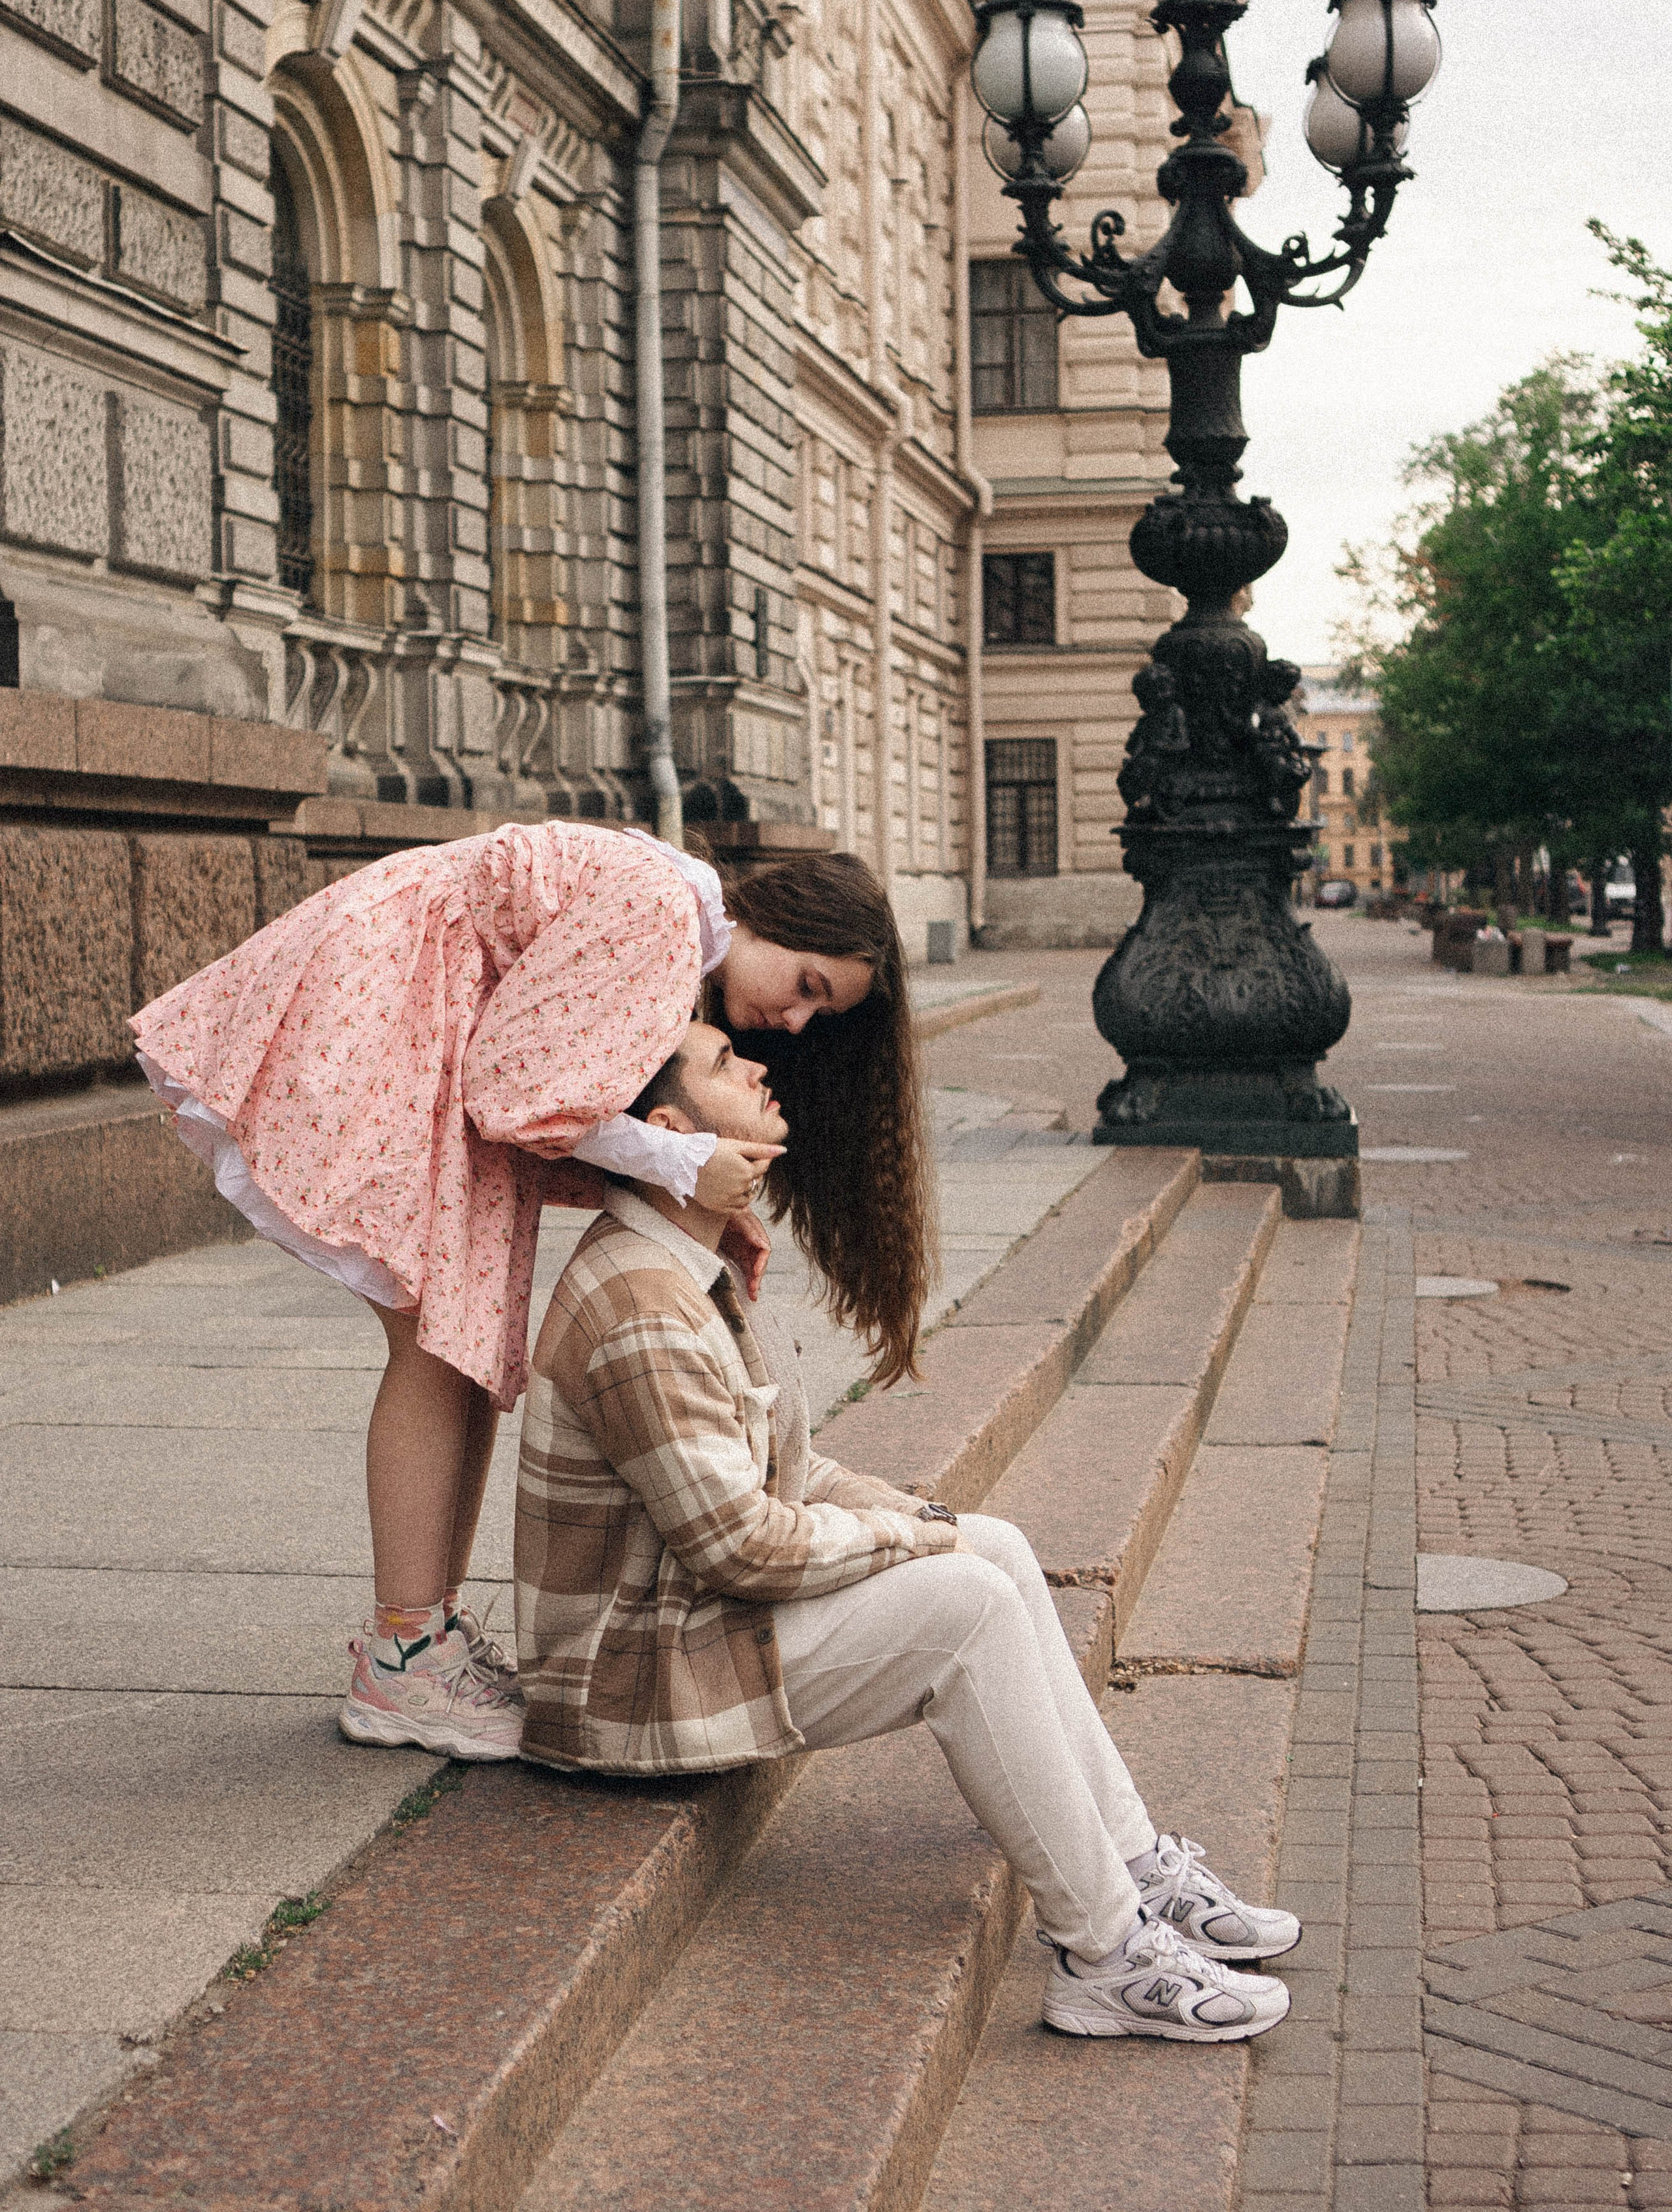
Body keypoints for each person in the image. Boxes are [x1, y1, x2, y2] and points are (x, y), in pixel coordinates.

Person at [515, 1019, 1302, 2044]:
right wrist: (915, 1547)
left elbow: (787, 1476)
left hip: (694, 1617)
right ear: (669, 1132)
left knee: (999, 1550)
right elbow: (741, 1548)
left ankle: (1137, 1863)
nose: (759, 1067)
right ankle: (1104, 1956)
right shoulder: (643, 1306)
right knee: (965, 1608)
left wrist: (926, 1521)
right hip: (633, 1679)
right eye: (723, 1065)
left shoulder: (690, 1260)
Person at [130, 823, 928, 1765]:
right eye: (808, 987)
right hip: (394, 1015)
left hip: (416, 1017)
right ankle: (404, 1657)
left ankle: (422, 1637)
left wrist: (689, 1178)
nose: (796, 1024)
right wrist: (681, 1158)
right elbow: (515, 1090)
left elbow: (548, 1092)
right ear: (779, 917)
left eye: (819, 1014)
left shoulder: (672, 927)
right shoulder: (667, 917)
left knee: (459, 1350)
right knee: (434, 1346)